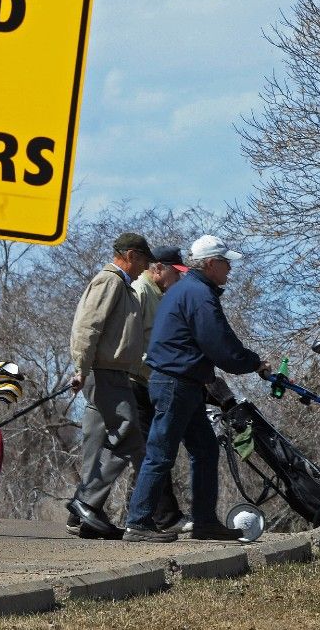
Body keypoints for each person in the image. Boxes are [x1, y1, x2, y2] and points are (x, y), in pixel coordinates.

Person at [124, 234, 270, 543]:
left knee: (204, 450)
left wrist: (244, 360)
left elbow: (217, 342)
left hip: (183, 382)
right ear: (210, 264)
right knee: (160, 453)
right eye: (225, 262)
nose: (229, 268)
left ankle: (204, 522)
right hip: (175, 382)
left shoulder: (189, 290)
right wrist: (253, 362)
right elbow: (220, 344)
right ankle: (138, 523)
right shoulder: (198, 294)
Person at [66, 232, 154, 539]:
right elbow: (87, 326)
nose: (145, 268)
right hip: (105, 373)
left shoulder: (123, 285)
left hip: (111, 373)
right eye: (143, 260)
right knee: (129, 436)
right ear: (130, 255)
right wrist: (80, 368)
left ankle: (86, 518)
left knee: (95, 443)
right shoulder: (111, 281)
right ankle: (85, 502)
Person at [128, 245, 190, 534]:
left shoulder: (161, 296)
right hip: (136, 382)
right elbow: (130, 339)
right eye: (174, 272)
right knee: (151, 453)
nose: (177, 279)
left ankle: (162, 516)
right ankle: (152, 519)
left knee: (150, 452)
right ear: (157, 269)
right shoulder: (140, 292)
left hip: (150, 380)